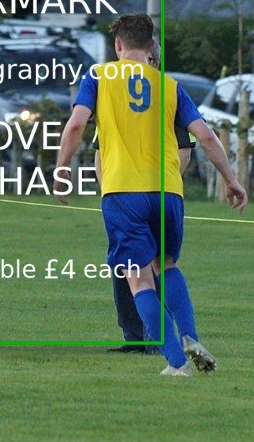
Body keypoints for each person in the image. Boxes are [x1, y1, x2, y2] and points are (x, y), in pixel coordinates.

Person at [53, 12, 247, 376]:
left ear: (118, 45)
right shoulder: (170, 85)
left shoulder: (98, 77)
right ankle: (190, 337)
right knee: (167, 266)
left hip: (124, 192)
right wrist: (231, 179)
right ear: (152, 45)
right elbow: (205, 136)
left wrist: (61, 168)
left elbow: (77, 123)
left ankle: (176, 362)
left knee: (138, 277)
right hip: (169, 194)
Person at [96, 39, 195, 353]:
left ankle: (163, 343)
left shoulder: (168, 95)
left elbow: (184, 149)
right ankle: (136, 336)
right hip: (124, 192)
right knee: (129, 268)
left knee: (153, 268)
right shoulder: (114, 97)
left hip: (149, 191)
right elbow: (100, 151)